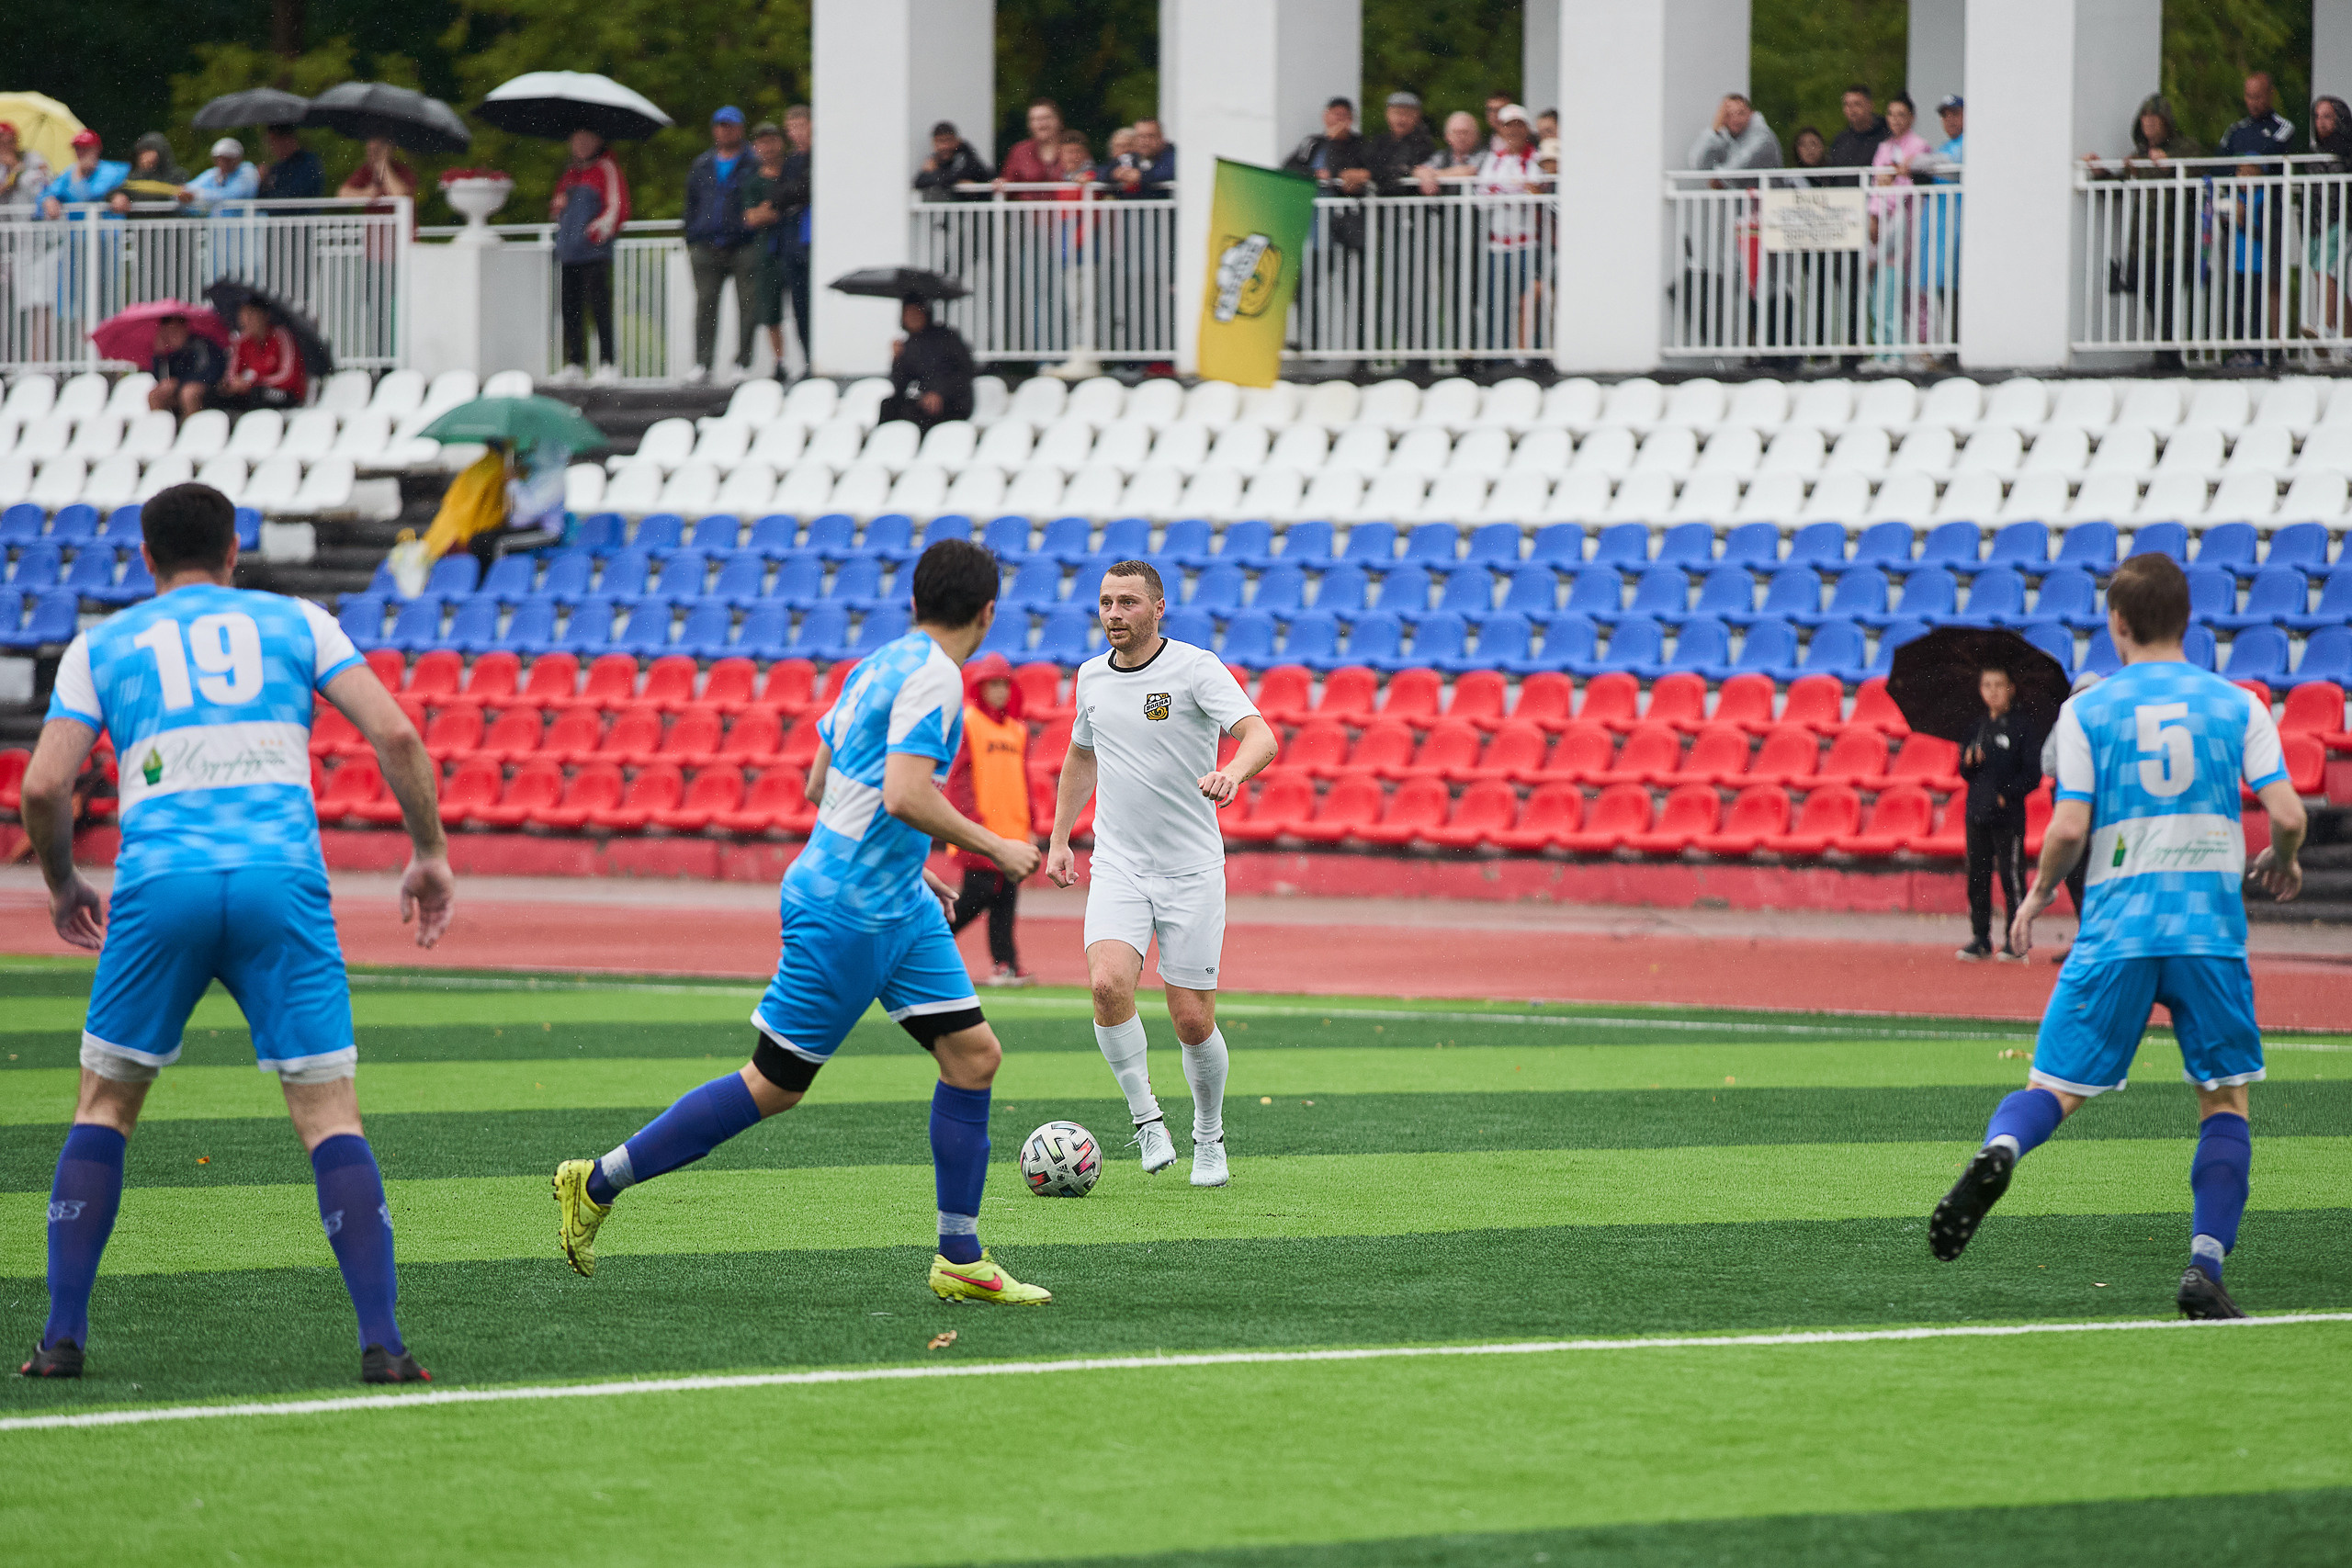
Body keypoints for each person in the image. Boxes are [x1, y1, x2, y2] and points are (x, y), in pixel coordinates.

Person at [15, 481, 455, 1383]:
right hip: (279, 883)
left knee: (105, 1106)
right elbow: (399, 737)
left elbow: (43, 788)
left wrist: (62, 884)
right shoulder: (297, 622)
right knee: (329, 1115)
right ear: (232, 554)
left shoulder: (102, 645)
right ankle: (383, 1343)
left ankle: (61, 1340)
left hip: (159, 886)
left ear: (145, 559)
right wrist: (429, 853)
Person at [552, 540, 1054, 1307]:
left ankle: (960, 1254)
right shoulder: (939, 679)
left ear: (916, 600)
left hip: (894, 901)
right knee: (775, 1084)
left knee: (974, 1055)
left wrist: (908, 863)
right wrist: (996, 847)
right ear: (988, 612)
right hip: (848, 908)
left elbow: (824, 780)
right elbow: (903, 793)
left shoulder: (878, 665)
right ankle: (598, 1180)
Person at [1929, 554, 2305, 1323]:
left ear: (2119, 624)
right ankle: (2205, 1265)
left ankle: (2000, 1152)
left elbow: (2069, 826)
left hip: (2116, 927)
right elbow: (2291, 816)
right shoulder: (2239, 703)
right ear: (2188, 619)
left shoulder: (2087, 711)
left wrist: (2034, 897)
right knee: (2222, 1100)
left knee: (2053, 1091)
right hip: (2207, 932)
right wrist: (2285, 860)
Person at [1046, 561, 1280, 1188]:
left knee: (1191, 1020)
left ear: (1157, 608)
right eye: (1105, 602)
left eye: (1127, 602)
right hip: (1119, 863)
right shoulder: (1090, 677)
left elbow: (1261, 734)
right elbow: (1080, 753)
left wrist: (1234, 770)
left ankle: (1209, 1134)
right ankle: (1147, 1119)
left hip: (1191, 869)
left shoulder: (1195, 667)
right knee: (1106, 986)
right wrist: (1061, 836)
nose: (1114, 613)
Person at [944, 652, 1035, 986]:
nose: (999, 691)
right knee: (977, 895)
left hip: (1012, 831)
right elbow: (960, 777)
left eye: (1004, 684)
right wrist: (968, 820)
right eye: (992, 684)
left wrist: (1032, 823)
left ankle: (1006, 964)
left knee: (1005, 898)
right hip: (980, 829)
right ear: (979, 687)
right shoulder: (968, 721)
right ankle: (927, 944)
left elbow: (1022, 779)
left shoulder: (1017, 730)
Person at [1954, 664, 2037, 961]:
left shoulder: (2022, 727)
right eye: (1987, 685)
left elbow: (2032, 774)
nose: (1993, 691)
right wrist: (1969, 761)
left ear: (2011, 688)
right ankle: (1980, 937)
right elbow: (1964, 772)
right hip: (1977, 811)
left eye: (1999, 685)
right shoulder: (1975, 727)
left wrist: (2008, 794)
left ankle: (2016, 941)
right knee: (1977, 876)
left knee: (2011, 878)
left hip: (2008, 816)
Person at [549, 128, 629, 385]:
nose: (581, 145)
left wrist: (597, 231)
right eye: (576, 140)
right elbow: (556, 210)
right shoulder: (569, 175)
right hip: (570, 252)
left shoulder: (606, 169)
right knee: (570, 309)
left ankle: (608, 362)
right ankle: (575, 362)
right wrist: (558, 206)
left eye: (586, 140)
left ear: (598, 141)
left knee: (599, 308)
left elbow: (618, 207)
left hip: (593, 252)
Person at [685, 105, 756, 384]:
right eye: (721, 126)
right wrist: (692, 236)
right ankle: (703, 363)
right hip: (706, 244)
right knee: (705, 305)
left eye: (731, 126)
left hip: (743, 244)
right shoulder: (702, 164)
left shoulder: (753, 162)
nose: (725, 131)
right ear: (714, 129)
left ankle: (743, 363)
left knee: (748, 304)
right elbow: (690, 203)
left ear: (740, 129)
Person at [1475, 105, 1549, 355]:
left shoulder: (1536, 159)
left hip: (1528, 243)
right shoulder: (1494, 160)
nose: (1514, 130)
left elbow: (1538, 192)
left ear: (1526, 129)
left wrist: (1506, 191)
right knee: (1498, 302)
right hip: (1499, 244)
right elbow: (1482, 195)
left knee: (1530, 303)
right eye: (1509, 125)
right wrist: (1512, 191)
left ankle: (1531, 355)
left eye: (1519, 125)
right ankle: (1500, 356)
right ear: (1501, 129)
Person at [1867, 93, 1932, 360]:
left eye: (1901, 114)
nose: (1895, 120)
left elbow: (1907, 183)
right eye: (1891, 114)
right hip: (1883, 221)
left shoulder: (1919, 146)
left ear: (1912, 117)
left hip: (1907, 222)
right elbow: (1877, 184)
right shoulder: (1884, 148)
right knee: (1882, 287)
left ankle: (1908, 350)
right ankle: (1885, 350)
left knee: (1909, 291)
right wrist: (1874, 215)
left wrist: (1889, 188)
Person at [740, 121, 793, 376]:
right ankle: (780, 361)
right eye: (762, 142)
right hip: (768, 252)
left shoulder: (791, 172)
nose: (767, 147)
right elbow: (752, 218)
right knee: (770, 311)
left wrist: (769, 210)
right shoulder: (753, 182)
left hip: (791, 247)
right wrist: (776, 208)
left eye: (771, 140)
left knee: (801, 302)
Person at [879, 297, 975, 429]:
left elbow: (966, 370)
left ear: (925, 313)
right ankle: (884, 445)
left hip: (953, 400)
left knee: (915, 414)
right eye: (908, 313)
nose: (912, 317)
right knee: (889, 405)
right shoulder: (908, 345)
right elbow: (900, 386)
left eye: (916, 312)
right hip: (925, 400)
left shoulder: (947, 337)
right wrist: (897, 359)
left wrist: (939, 393)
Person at [211, 299, 307, 413]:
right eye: (243, 316)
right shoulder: (242, 342)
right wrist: (234, 383)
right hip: (251, 391)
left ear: (265, 316)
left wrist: (255, 381)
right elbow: (232, 375)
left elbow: (288, 377)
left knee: (258, 394)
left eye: (251, 315)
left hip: (284, 393)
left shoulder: (281, 336)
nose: (246, 321)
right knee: (214, 396)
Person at [779, 106, 813, 377]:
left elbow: (800, 189)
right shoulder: (790, 161)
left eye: (800, 126)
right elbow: (781, 192)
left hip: (811, 239)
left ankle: (817, 357)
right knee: (799, 306)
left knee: (813, 303)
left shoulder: (819, 155)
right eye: (791, 128)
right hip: (793, 242)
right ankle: (807, 360)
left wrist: (784, 197)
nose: (795, 133)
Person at [1283, 96, 1371, 194]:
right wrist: (1314, 174)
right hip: (1311, 195)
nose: (1340, 119)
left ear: (1351, 119)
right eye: (1336, 114)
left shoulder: (1360, 143)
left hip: (1341, 199)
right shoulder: (1313, 141)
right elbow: (1290, 166)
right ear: (1326, 116)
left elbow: (1351, 169)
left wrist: (1335, 142)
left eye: (1344, 115)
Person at [144, 313, 226, 419]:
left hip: (210, 390)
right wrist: (158, 356)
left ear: (185, 328)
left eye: (175, 332)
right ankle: (161, 430)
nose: (171, 337)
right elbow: (160, 377)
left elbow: (208, 373)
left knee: (188, 393)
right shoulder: (169, 354)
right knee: (154, 395)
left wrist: (178, 382)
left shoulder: (200, 345)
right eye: (167, 333)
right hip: (180, 389)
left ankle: (192, 429)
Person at [1688, 92, 1781, 178]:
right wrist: (1715, 131)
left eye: (1741, 113)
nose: (1735, 119)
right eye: (1728, 115)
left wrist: (1719, 179)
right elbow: (1698, 164)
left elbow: (1740, 165)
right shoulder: (1724, 136)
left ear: (1751, 113)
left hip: (1769, 194)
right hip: (1739, 195)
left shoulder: (1762, 137)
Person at [40, 130, 128, 217]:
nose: (81, 153)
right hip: (77, 229)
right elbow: (49, 192)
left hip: (107, 229)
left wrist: (120, 195)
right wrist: (48, 200)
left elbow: (95, 193)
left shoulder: (112, 171)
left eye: (86, 148)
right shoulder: (68, 174)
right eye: (77, 148)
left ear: (97, 149)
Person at [1363, 92, 1438, 194]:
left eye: (1407, 114)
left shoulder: (1423, 144)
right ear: (1387, 114)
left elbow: (1409, 167)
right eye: (1397, 113)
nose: (1401, 119)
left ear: (1417, 116)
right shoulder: (1378, 142)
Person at [913, 119, 992, 200]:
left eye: (948, 140)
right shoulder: (935, 160)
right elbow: (918, 182)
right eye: (940, 141)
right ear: (933, 143)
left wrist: (934, 172)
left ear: (957, 141)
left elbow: (952, 177)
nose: (945, 146)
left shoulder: (965, 156)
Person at [996, 99, 1066, 190]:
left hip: (1066, 204)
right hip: (1028, 204)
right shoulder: (1019, 151)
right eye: (1036, 119)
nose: (1042, 124)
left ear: (1059, 121)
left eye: (1047, 118)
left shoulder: (1073, 147)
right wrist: (1001, 183)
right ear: (1029, 125)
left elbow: (1086, 173)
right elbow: (1008, 185)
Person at [178, 137, 259, 212]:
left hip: (245, 225)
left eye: (228, 158)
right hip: (217, 226)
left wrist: (196, 195)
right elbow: (191, 187)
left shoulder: (247, 171)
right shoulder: (213, 173)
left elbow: (233, 194)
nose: (223, 163)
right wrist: (181, 193)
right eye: (220, 158)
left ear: (238, 159)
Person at [336, 137, 416, 204]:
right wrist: (366, 193)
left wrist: (384, 166)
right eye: (369, 150)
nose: (372, 155)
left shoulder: (402, 169)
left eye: (376, 151)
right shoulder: (366, 170)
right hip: (375, 221)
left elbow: (401, 195)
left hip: (400, 222)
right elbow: (342, 194)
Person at [256, 125, 323, 201]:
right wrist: (261, 183)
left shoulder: (308, 163)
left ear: (287, 139)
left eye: (274, 140)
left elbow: (292, 195)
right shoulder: (278, 167)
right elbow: (261, 200)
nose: (272, 147)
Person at [1826, 85, 1887, 167]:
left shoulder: (1888, 134)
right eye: (1847, 104)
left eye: (1857, 104)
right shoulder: (1840, 141)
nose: (1851, 109)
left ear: (1870, 105)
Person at [1114, 117, 1175, 196]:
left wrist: (1141, 176)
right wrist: (1114, 174)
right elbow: (1104, 170)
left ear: (1161, 137)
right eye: (1140, 136)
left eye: (1150, 136)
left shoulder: (1173, 155)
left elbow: (1170, 172)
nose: (1145, 141)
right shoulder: (1131, 157)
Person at [0, 120, 52, 213]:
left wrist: (17, 166)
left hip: (31, 216)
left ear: (16, 141)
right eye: (1, 143)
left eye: (9, 142)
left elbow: (46, 181)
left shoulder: (31, 157)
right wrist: (6, 184)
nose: (5, 147)